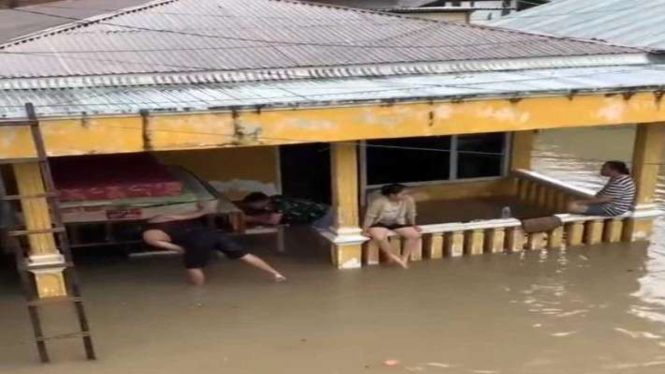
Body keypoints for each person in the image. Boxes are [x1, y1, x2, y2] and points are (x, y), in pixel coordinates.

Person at [142, 200, 286, 286]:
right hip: (212, 233)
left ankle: (198, 290)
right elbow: (194, 214)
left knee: (192, 266)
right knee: (244, 254)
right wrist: (204, 209)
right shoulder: (160, 218)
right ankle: (276, 274)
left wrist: (191, 254)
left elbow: (179, 249)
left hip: (195, 240)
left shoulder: (148, 236)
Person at [362, 184, 421, 269]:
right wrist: (365, 229)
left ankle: (404, 257)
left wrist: (414, 224)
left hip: (397, 221)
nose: (406, 196)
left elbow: (411, 213)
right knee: (379, 237)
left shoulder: (408, 200)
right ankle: (392, 256)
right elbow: (370, 216)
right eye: (403, 194)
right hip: (380, 222)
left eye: (406, 194)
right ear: (392, 195)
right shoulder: (378, 202)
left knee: (415, 235)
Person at [568, 160, 636, 216]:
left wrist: (580, 202)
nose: (601, 169)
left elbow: (605, 199)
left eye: (604, 167)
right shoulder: (618, 178)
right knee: (577, 202)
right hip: (608, 205)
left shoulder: (620, 181)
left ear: (614, 170)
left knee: (572, 206)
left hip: (611, 209)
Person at [240, 192, 333, 230]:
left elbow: (273, 220)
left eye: (251, 205)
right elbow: (269, 216)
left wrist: (250, 219)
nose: (252, 208)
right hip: (319, 214)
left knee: (323, 236)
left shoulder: (278, 203)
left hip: (324, 214)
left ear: (258, 202)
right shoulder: (273, 200)